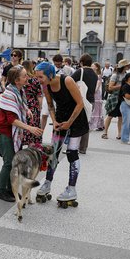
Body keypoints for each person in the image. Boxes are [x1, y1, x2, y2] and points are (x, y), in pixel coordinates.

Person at [35, 62, 88, 204]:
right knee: (53, 152)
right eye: (37, 77)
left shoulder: (67, 81)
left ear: (50, 74)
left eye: (40, 77)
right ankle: (47, 183)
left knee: (72, 153)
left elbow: (80, 103)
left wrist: (69, 123)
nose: (38, 80)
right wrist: (54, 121)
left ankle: (71, 188)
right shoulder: (46, 86)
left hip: (76, 120)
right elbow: (51, 105)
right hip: (60, 118)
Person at [0, 66, 43, 202]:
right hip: (6, 132)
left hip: (12, 132)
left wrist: (26, 109)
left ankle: (10, 189)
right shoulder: (10, 94)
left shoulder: (18, 90)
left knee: (14, 163)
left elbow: (20, 104)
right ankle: (2, 191)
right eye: (24, 76)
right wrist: (30, 128)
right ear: (17, 80)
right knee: (9, 163)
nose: (26, 77)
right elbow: (11, 120)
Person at [72, 54, 97, 154]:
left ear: (81, 62)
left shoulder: (80, 71)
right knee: (86, 124)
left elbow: (68, 81)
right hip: (91, 101)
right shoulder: (95, 74)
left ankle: (73, 147)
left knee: (76, 123)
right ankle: (83, 148)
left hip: (80, 100)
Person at [102, 59, 130, 139]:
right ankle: (105, 133)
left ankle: (119, 134)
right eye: (127, 65)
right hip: (115, 98)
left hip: (123, 97)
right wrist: (122, 86)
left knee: (121, 117)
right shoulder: (115, 75)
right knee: (110, 115)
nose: (129, 66)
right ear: (124, 67)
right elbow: (110, 87)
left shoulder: (127, 75)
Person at [21, 60, 43, 149]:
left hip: (22, 104)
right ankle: (31, 149)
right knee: (33, 125)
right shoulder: (35, 80)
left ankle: (20, 145)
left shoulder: (20, 78)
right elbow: (39, 96)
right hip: (33, 105)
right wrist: (40, 108)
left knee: (22, 125)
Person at [88, 62, 105, 132]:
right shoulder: (92, 74)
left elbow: (98, 85)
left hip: (96, 93)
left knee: (96, 108)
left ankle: (97, 124)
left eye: (93, 66)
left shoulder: (98, 75)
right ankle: (98, 124)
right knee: (95, 108)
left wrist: (94, 90)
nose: (91, 67)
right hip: (93, 92)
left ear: (96, 67)